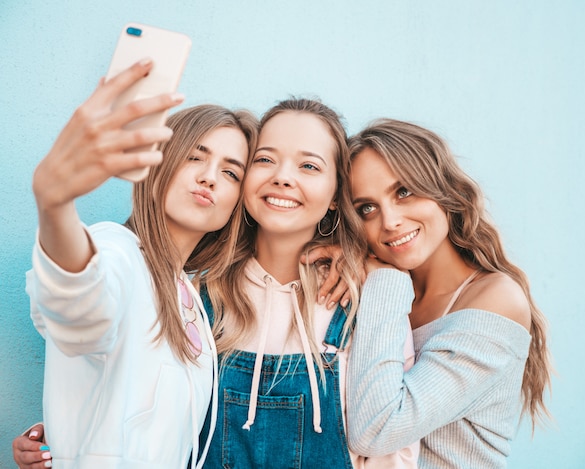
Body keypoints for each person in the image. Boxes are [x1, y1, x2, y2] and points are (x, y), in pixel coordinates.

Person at [13, 59, 258, 468]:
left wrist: (77, 430)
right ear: (158, 162)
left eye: (231, 172)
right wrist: (55, 204)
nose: (211, 177)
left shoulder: (192, 295)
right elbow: (78, 306)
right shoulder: (117, 249)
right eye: (195, 157)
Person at [199, 98, 419, 468]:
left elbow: (392, 453)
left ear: (336, 196)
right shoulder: (204, 297)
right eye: (265, 159)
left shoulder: (365, 303)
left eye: (309, 166)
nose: (283, 177)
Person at [344, 118, 552, 468]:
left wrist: (385, 280)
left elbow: (377, 430)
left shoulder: (495, 299)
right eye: (367, 208)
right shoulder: (371, 294)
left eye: (403, 192)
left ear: (444, 190)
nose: (390, 220)